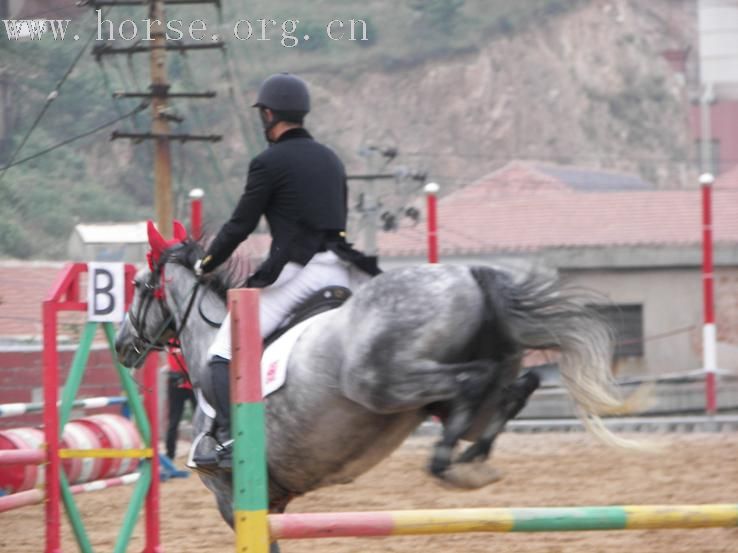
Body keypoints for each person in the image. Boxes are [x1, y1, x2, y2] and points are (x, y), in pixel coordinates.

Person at [191, 72, 380, 471]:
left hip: (300, 273)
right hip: (341, 272)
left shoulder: (268, 162)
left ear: (270, 114)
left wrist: (206, 263)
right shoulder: (331, 158)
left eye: (263, 114)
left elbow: (240, 226)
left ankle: (231, 441)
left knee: (221, 355)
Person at [165, 348, 196, 460]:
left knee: (200, 420)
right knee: (174, 420)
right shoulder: (171, 338)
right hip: (176, 382)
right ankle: (170, 454)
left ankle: (200, 452)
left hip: (192, 381)